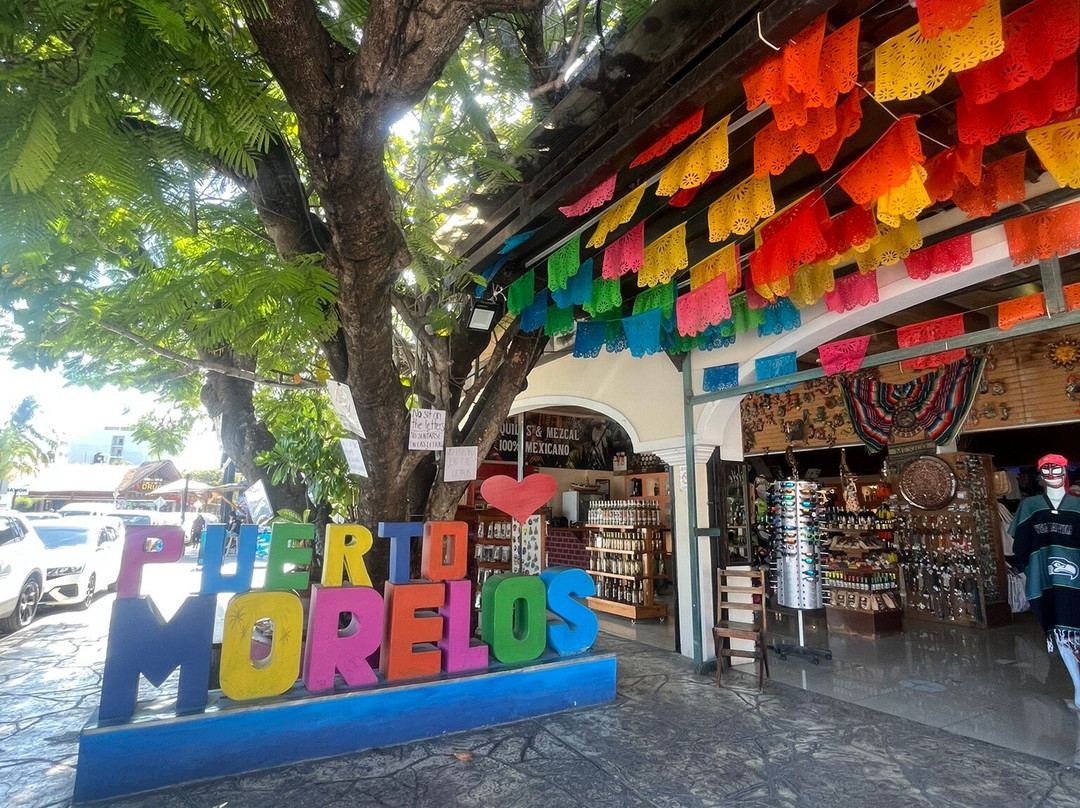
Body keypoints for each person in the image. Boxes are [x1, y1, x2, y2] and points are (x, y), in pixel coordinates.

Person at [1011, 454, 1080, 711]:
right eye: (1047, 471)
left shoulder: (1077, 505)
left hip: (1076, 577)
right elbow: (1021, 545)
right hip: (1046, 577)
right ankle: (1078, 686)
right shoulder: (1030, 506)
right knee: (1060, 628)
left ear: (1065, 471)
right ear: (1040, 475)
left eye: (1057, 470)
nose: (1053, 475)